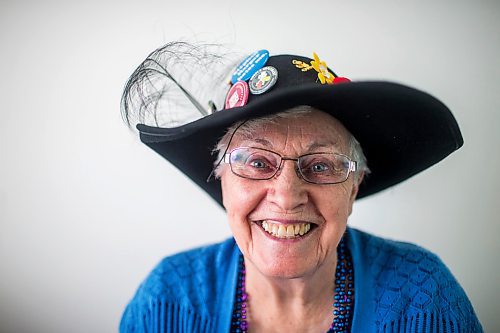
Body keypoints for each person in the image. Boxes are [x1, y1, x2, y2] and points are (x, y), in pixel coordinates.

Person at [119, 43, 482, 332]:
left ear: (354, 187)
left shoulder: (422, 294)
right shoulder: (166, 299)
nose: (287, 195)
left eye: (321, 165)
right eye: (258, 163)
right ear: (221, 179)